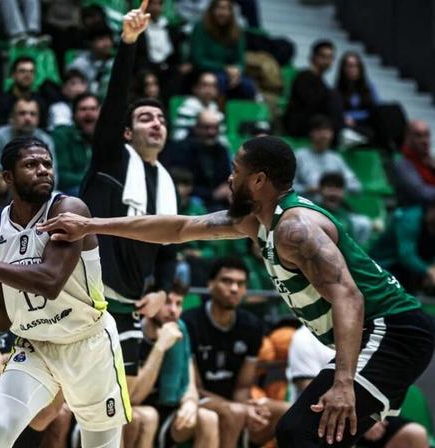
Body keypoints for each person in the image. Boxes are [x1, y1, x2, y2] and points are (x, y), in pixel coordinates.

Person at [39, 135, 435, 447]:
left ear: (259, 180)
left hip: (394, 331)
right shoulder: (254, 221)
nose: (230, 178)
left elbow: (350, 297)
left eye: (236, 170)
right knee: (327, 433)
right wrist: (91, 226)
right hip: (378, 334)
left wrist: (344, 382)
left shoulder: (295, 230)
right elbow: (178, 229)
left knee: (301, 431)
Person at [0, 135, 131, 448]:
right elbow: (1, 320)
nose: (44, 170)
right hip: (35, 345)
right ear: (8, 178)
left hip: (88, 342)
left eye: (47, 164)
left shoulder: (69, 210)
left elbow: (49, 281)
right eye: (31, 164)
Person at [79, 0, 177, 404]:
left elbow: (171, 246)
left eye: (162, 119)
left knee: (122, 407)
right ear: (125, 132)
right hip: (83, 300)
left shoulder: (168, 184)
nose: (157, 123)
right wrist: (129, 44)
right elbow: (116, 100)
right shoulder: (112, 158)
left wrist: (164, 292)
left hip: (129, 307)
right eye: (146, 118)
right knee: (60, 407)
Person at [179, 258, 287, 447]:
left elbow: (243, 387)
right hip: (197, 398)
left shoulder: (252, 326)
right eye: (227, 281)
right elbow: (194, 387)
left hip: (235, 401)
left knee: (284, 410)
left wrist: (248, 407)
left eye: (240, 283)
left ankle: (248, 441)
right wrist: (242, 409)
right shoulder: (189, 323)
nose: (234, 288)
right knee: (235, 412)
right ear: (210, 284)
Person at [288, 326, 430, 448]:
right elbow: (309, 390)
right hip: (324, 413)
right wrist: (362, 419)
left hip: (366, 409)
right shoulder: (304, 338)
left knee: (415, 434)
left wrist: (371, 417)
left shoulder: (367, 329)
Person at [141, 283, 219, 448]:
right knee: (149, 417)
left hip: (168, 407)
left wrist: (190, 401)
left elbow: (189, 381)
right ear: (149, 302)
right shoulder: (134, 334)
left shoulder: (181, 329)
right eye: (167, 302)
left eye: (179, 304)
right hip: (139, 409)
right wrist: (159, 347)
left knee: (208, 418)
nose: (173, 310)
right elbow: (134, 397)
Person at [189, 0, 256, 100]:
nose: (222, 13)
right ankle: (219, 112)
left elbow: (240, 60)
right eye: (219, 8)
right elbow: (198, 60)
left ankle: (243, 113)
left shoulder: (237, 31)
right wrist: (225, 68)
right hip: (205, 70)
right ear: (212, 10)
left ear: (231, 12)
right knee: (220, 80)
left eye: (226, 9)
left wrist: (237, 71)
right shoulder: (200, 27)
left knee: (248, 85)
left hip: (229, 73)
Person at [164, 110, 231, 210]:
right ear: (196, 128)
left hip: (220, 203)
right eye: (207, 127)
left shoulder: (222, 150)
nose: (211, 132)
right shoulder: (181, 149)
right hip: (193, 202)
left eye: (215, 128)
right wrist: (212, 194)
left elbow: (227, 178)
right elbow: (181, 184)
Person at [371, 201, 435, 295]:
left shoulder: (431, 224)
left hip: (408, 271)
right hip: (385, 265)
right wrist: (428, 271)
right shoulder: (409, 219)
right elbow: (406, 255)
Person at [283, 40, 343, 137]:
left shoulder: (322, 83)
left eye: (330, 58)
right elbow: (310, 104)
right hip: (299, 125)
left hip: (315, 122)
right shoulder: (303, 77)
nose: (327, 61)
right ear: (313, 57)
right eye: (323, 57)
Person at [293, 115, 361, 197]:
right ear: (311, 133)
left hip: (332, 205)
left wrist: (336, 189)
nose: (323, 135)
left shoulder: (336, 158)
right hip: (307, 204)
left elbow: (355, 185)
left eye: (327, 131)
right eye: (319, 130)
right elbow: (288, 187)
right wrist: (307, 189)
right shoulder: (299, 156)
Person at [0, 98, 55, 173]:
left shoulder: (45, 140)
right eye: (22, 113)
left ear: (38, 119)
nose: (28, 118)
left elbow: (52, 175)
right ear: (12, 118)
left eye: (32, 114)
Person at [135, 0, 189, 99]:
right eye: (152, 4)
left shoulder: (171, 29)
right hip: (147, 68)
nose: (156, 8)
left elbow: (176, 55)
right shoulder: (137, 29)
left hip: (168, 68)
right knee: (147, 80)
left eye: (159, 4)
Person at [51, 92, 99, 194]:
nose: (89, 113)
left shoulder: (106, 136)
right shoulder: (62, 135)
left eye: (93, 109)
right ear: (74, 115)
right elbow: (62, 176)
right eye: (83, 109)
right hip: (71, 191)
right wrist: (93, 179)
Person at [0, 56, 48, 127]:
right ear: (13, 75)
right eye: (22, 71)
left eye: (31, 72)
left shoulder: (40, 102)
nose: (27, 75)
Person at [317, 172, 373, 247]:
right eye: (329, 186)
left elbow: (351, 247)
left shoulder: (345, 216)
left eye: (338, 187)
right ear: (320, 189)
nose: (333, 191)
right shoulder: (313, 212)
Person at [336, 52, 379, 141]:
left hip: (366, 123)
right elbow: (336, 111)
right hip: (346, 125)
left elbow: (377, 109)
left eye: (356, 66)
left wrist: (354, 117)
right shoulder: (337, 89)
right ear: (343, 69)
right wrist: (346, 118)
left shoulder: (369, 88)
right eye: (349, 66)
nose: (353, 69)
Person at [67, 25, 116, 97]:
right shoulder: (79, 64)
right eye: (101, 39)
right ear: (90, 43)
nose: (106, 43)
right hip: (85, 102)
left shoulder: (116, 62)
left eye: (109, 39)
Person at [172, 71, 223, 141]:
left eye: (213, 86)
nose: (209, 90)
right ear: (195, 88)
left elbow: (222, 139)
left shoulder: (216, 110)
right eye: (205, 85)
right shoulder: (187, 109)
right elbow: (179, 137)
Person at [394, 120, 435, 206]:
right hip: (415, 211)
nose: (425, 141)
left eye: (426, 135)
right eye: (418, 136)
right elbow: (420, 193)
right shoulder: (403, 164)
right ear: (408, 138)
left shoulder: (430, 160)